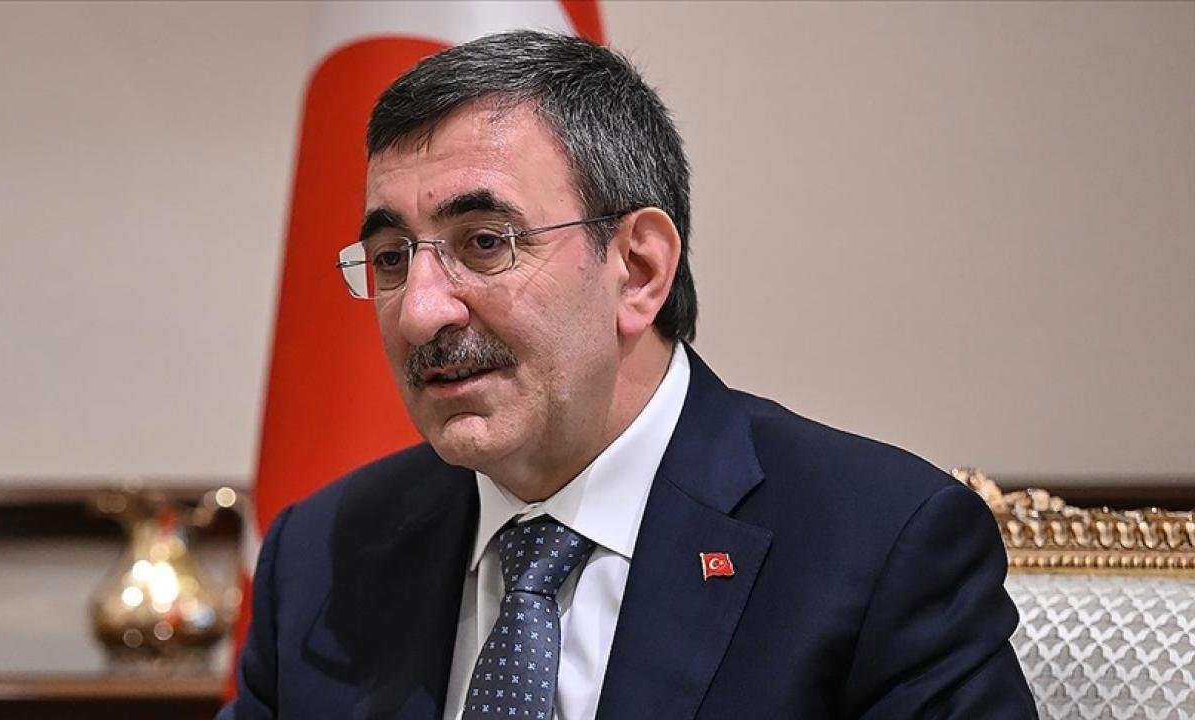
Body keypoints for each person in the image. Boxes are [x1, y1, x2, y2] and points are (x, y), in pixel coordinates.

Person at [220, 30, 1036, 720]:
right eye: (393, 258)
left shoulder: (875, 546)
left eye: (485, 243)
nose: (419, 312)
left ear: (639, 270)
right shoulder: (323, 557)